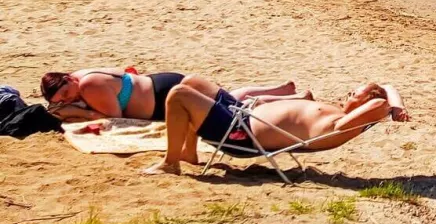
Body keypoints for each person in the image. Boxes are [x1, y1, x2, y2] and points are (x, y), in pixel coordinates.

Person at [145, 76, 407, 175]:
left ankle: (170, 163)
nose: (347, 94)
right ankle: (188, 153)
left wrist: (391, 106)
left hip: (239, 134)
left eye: (354, 94)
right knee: (193, 82)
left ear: (368, 103)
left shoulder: (340, 123)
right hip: (242, 116)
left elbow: (380, 103)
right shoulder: (337, 112)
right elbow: (387, 85)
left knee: (179, 94)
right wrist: (396, 101)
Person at [39, 68, 302, 123]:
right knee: (228, 100)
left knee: (234, 110)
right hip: (160, 83)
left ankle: (291, 99)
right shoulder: (85, 73)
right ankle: (282, 91)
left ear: (69, 79)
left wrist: (79, 112)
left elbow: (114, 118)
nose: (67, 99)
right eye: (61, 101)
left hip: (161, 99)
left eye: (65, 93)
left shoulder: (88, 85)